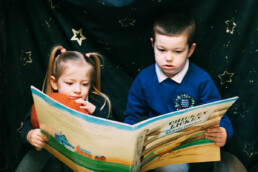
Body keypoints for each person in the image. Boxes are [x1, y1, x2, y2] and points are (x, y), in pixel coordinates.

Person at [124, 8, 233, 172]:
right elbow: (132, 117)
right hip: (157, 150)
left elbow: (220, 116)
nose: (168, 58)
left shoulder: (201, 80)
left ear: (190, 50)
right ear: (153, 44)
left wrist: (223, 132)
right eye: (161, 50)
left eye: (177, 51)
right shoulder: (144, 79)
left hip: (191, 150)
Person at [16, 45, 111, 172]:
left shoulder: (96, 102)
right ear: (54, 83)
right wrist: (30, 135)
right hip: (50, 159)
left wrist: (94, 111)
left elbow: (108, 130)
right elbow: (27, 126)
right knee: (40, 152)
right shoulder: (45, 102)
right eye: (70, 83)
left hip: (80, 158)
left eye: (84, 84)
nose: (77, 90)